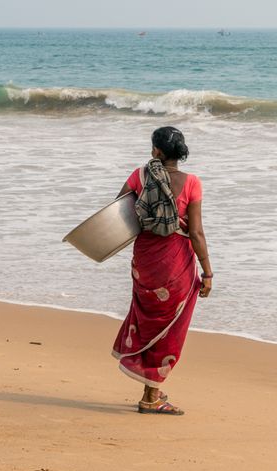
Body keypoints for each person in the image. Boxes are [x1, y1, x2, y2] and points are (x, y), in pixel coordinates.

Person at [112, 126, 213, 415]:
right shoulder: (192, 183)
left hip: (145, 262)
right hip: (176, 265)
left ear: (156, 151)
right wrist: (208, 272)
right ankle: (151, 397)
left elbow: (117, 213)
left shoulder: (140, 176)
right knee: (170, 327)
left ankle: (150, 390)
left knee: (149, 320)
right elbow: (196, 233)